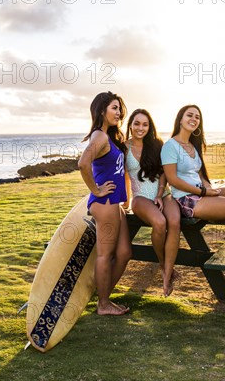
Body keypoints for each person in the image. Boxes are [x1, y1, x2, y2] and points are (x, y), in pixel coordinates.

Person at [161, 104, 225, 283]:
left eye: (197, 117)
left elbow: (199, 174)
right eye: (189, 115)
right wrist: (203, 191)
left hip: (201, 192)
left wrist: (211, 189)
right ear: (180, 120)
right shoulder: (170, 146)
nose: (193, 119)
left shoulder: (192, 145)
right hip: (186, 198)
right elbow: (172, 179)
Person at [78, 91, 132, 315]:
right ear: (102, 111)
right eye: (114, 108)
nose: (118, 113)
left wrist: (126, 197)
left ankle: (104, 296)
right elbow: (83, 164)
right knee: (105, 254)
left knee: (124, 252)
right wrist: (96, 190)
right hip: (105, 202)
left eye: (119, 108)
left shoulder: (108, 137)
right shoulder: (99, 136)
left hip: (114, 203)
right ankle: (103, 304)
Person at [124, 109, 181, 296]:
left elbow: (165, 171)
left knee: (174, 221)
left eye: (145, 124)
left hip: (163, 193)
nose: (141, 128)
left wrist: (159, 193)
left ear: (150, 127)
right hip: (140, 197)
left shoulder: (157, 145)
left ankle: (167, 270)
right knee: (160, 222)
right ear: (130, 124)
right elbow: (124, 177)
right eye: (137, 123)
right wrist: (125, 202)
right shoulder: (124, 148)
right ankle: (165, 267)